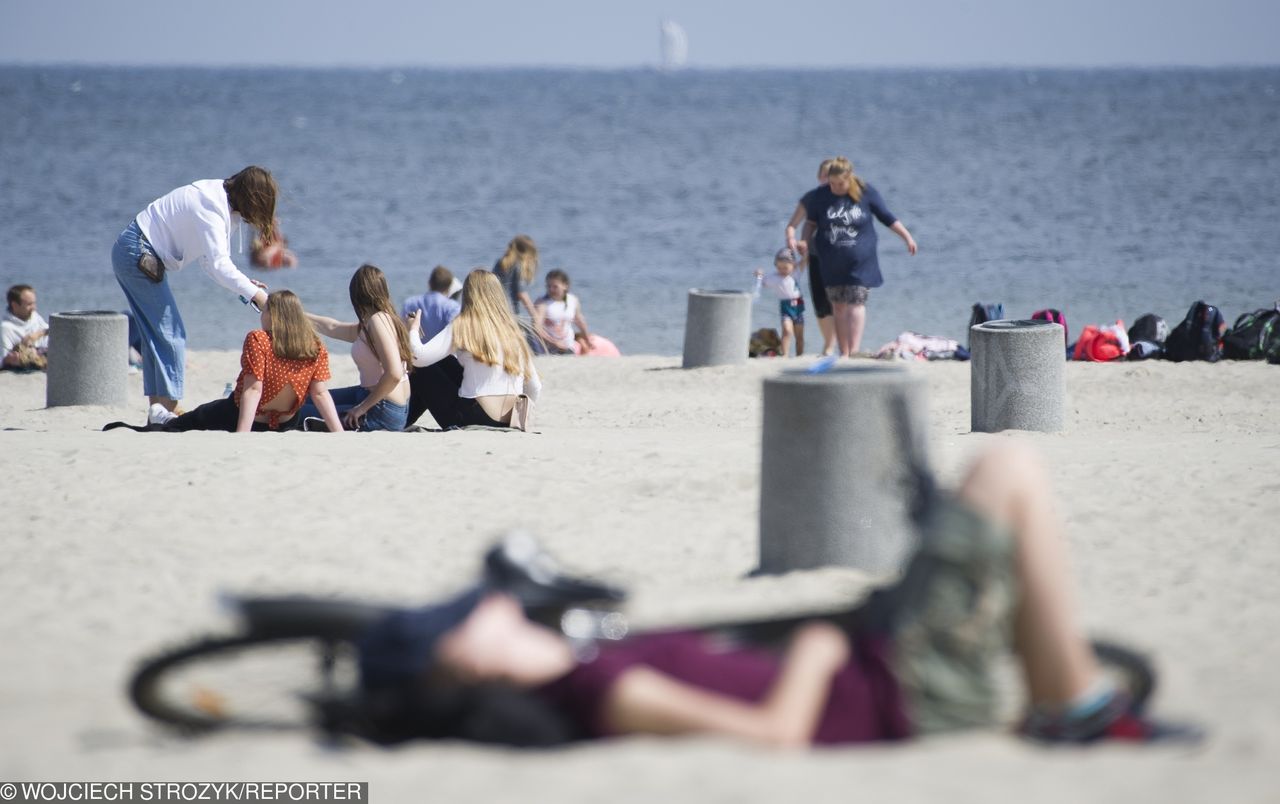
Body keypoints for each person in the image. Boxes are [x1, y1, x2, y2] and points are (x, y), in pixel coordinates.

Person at [358, 443, 1198, 748]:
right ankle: (1079, 706)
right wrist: (817, 651)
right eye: (465, 622)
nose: (487, 607)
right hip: (898, 687)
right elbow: (774, 734)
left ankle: (1066, 698)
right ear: (466, 666)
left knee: (985, 497)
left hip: (880, 665)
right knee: (1009, 470)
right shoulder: (602, 686)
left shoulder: (589, 662)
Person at [111, 167, 278, 422]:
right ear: (251, 199)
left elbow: (211, 264)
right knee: (171, 334)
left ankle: (159, 410)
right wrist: (259, 296)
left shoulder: (223, 203)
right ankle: (166, 410)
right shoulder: (210, 206)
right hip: (138, 252)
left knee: (157, 335)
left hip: (134, 250)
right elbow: (220, 266)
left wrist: (246, 287)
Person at [106, 291, 343, 434]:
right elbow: (320, 393)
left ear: (275, 316)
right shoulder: (314, 344)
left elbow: (253, 389)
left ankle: (167, 420)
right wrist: (338, 433)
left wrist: (242, 435)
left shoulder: (259, 339)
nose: (261, 316)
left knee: (197, 418)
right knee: (204, 413)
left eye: (264, 311)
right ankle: (168, 418)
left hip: (247, 418)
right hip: (285, 422)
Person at [797, 157, 917, 357]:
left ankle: (854, 349)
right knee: (838, 305)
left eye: (840, 183)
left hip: (861, 260)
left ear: (849, 177)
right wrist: (804, 241)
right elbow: (810, 222)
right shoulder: (821, 195)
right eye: (832, 183)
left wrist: (907, 237)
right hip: (831, 260)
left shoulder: (865, 192)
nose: (835, 188)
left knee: (856, 301)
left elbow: (886, 217)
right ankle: (843, 352)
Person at [405, 269, 542, 429]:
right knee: (444, 361)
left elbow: (418, 357)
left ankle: (400, 422)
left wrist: (412, 329)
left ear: (469, 295)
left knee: (421, 369)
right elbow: (535, 386)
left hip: (472, 416)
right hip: (511, 420)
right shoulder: (513, 330)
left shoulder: (464, 325)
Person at [299, 265, 412, 432]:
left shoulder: (378, 321)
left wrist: (360, 409)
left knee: (298, 412)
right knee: (307, 399)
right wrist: (292, 313)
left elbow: (394, 373)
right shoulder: (377, 322)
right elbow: (332, 326)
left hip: (380, 410)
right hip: (376, 400)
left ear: (357, 295)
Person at [784, 159, 836, 356]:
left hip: (840, 256)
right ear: (818, 176)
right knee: (821, 302)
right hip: (815, 254)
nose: (827, 179)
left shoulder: (845, 197)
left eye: (831, 175)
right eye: (824, 175)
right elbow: (792, 225)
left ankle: (839, 346)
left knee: (840, 302)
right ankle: (829, 345)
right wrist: (791, 239)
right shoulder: (811, 198)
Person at [492, 235, 553, 350]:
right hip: (508, 310)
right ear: (527, 254)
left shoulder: (500, 263)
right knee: (519, 340)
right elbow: (522, 293)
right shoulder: (517, 265)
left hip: (494, 307)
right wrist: (534, 315)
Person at [754, 249, 806, 357]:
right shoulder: (774, 277)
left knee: (799, 336)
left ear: (793, 265)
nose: (782, 270)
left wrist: (804, 250)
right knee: (787, 331)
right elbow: (762, 281)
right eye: (779, 267)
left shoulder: (795, 273)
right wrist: (758, 274)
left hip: (798, 307)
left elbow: (805, 260)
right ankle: (785, 355)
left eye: (785, 267)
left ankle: (799, 356)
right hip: (785, 308)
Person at [533, 269, 592, 355]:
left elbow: (580, 321)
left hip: (567, 346)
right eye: (548, 286)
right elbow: (536, 328)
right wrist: (554, 342)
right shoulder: (542, 303)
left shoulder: (573, 300)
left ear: (565, 286)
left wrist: (587, 339)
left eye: (555, 286)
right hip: (546, 349)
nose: (551, 289)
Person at [401, 265, 461, 343]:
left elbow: (403, 331)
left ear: (429, 283)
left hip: (416, 352)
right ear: (449, 287)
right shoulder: (453, 307)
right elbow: (455, 335)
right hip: (442, 353)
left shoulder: (410, 303)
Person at [2, 284, 50, 371]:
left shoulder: (35, 317)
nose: (34, 308)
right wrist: (9, 359)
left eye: (34, 303)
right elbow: (3, 360)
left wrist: (37, 335)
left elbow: (55, 330)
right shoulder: (6, 328)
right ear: (15, 305)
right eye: (29, 304)